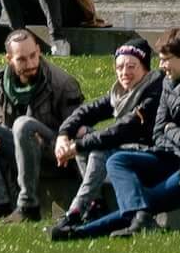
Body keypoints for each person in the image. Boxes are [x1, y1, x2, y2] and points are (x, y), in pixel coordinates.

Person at [51, 27, 180, 240]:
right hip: (178, 157)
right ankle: (135, 220)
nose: (161, 66)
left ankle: (79, 233)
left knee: (148, 201)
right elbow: (160, 133)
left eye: (165, 59)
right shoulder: (170, 81)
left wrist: (175, 132)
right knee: (117, 161)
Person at [0, 25, 84, 222]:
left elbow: (75, 131)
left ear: (38, 51)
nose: (30, 63)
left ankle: (28, 206)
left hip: (55, 152)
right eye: (21, 59)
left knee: (23, 125)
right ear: (9, 59)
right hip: (18, 142)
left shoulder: (63, 84)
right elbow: (1, 118)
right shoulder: (1, 81)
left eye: (33, 56)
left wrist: (44, 141)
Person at [52, 38, 163, 229]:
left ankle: (76, 209)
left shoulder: (154, 92)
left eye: (131, 66)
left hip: (152, 154)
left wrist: (78, 146)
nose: (124, 72)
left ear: (145, 68)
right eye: (119, 67)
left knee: (98, 148)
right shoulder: (120, 93)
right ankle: (96, 204)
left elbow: (122, 130)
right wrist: (64, 135)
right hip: (125, 150)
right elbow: (85, 111)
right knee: (81, 132)